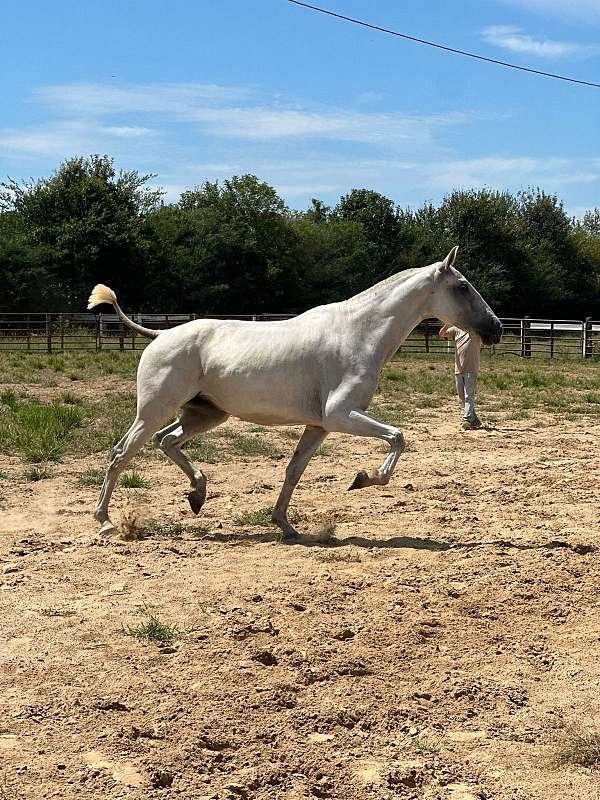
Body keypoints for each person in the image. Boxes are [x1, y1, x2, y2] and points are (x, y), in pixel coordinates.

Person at [439, 324, 482, 430]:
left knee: (469, 395)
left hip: (471, 368)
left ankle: (467, 419)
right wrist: (447, 323)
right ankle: (474, 420)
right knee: (462, 395)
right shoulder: (456, 329)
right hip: (459, 368)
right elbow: (442, 334)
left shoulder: (478, 330)